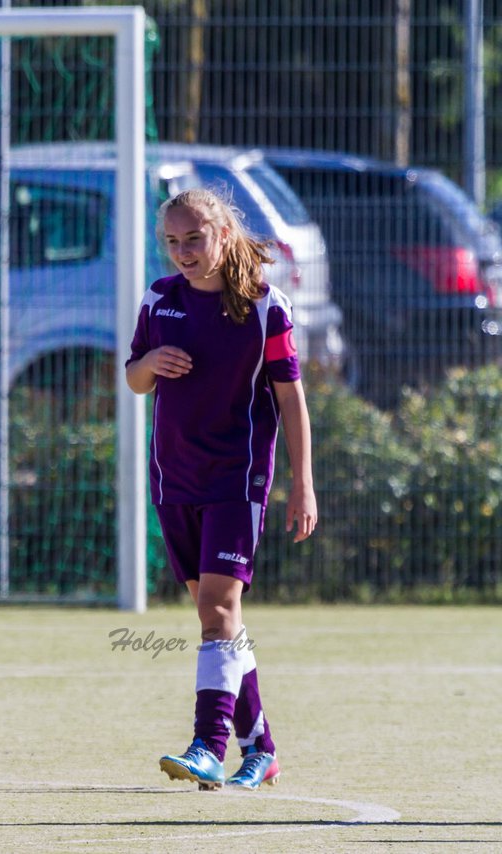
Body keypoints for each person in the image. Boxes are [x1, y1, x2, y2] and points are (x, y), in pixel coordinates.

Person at [125, 188, 316, 791]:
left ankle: (208, 746)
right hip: (173, 477)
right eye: (173, 241)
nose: (182, 251)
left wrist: (302, 484)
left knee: (216, 612)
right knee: (221, 619)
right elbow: (133, 380)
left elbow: (291, 398)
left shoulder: (266, 306)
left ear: (224, 234)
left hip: (238, 479)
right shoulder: (161, 298)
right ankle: (261, 748)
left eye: (194, 238)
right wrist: (152, 360)